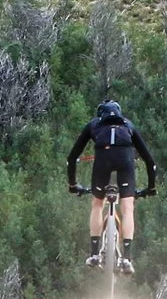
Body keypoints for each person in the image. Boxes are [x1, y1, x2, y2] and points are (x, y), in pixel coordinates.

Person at [67, 98, 157, 274]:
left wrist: (73, 184)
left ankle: (94, 254)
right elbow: (149, 161)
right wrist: (151, 187)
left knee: (97, 204)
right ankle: (127, 258)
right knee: (127, 208)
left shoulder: (94, 125)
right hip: (125, 160)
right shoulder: (128, 125)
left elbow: (72, 158)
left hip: (103, 160)